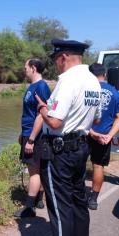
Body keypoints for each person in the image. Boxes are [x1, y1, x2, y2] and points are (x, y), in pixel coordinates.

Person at [35, 39, 101, 236]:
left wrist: (42, 108)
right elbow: (96, 120)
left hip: (60, 152)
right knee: (78, 201)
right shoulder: (93, 82)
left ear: (63, 57)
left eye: (56, 59)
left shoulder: (67, 80)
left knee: (60, 206)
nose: (56, 63)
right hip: (80, 148)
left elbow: (55, 122)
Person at [14, 58, 51, 218]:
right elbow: (30, 113)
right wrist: (23, 134)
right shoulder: (34, 86)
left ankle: (29, 208)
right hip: (28, 133)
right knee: (39, 169)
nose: (25, 70)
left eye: (25, 67)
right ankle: (39, 199)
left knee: (34, 172)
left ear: (33, 68)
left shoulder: (41, 87)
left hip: (34, 137)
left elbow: (42, 115)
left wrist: (30, 139)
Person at [88, 63, 119, 210]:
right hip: (103, 136)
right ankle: (93, 199)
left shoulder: (87, 90)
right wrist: (109, 136)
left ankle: (76, 194)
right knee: (98, 165)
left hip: (85, 133)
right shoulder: (115, 92)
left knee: (78, 164)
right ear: (105, 75)